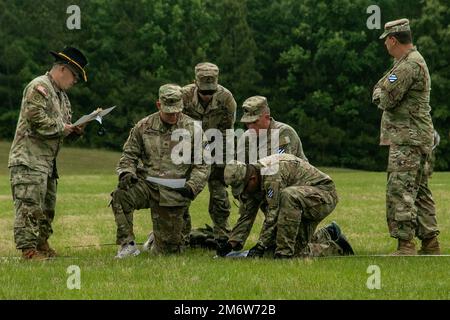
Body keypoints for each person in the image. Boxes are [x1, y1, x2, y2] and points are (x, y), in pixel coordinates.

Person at [8, 46, 88, 260]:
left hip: (46, 163)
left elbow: (61, 127)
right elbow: (37, 121)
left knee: (46, 208)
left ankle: (42, 244)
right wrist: (65, 128)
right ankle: (28, 251)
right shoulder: (39, 87)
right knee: (29, 207)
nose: (75, 82)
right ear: (62, 69)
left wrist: (75, 130)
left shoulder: (61, 96)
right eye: (74, 76)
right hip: (28, 160)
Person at [112, 84, 209, 258]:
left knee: (169, 253)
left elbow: (203, 164)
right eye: (168, 112)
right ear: (158, 105)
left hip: (175, 192)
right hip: (148, 185)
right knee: (121, 195)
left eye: (176, 111)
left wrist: (191, 187)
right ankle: (128, 245)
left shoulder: (193, 129)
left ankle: (156, 239)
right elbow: (129, 155)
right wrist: (126, 172)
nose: (173, 116)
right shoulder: (144, 126)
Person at [372, 19, 440, 255]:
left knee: (400, 190)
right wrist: (381, 89)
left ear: (392, 40)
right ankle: (430, 243)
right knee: (419, 191)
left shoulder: (407, 65)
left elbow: (385, 98)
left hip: (407, 139)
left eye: (386, 40)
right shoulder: (407, 62)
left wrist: (379, 93)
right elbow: (384, 86)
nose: (385, 45)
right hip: (417, 137)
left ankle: (406, 245)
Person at [219, 154, 354, 259]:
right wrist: (232, 242)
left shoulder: (271, 173)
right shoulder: (254, 178)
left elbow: (273, 213)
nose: (245, 192)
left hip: (323, 196)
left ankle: (336, 248)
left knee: (287, 197)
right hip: (302, 203)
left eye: (244, 188)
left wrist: (260, 245)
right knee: (274, 249)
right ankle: (328, 233)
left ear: (252, 179)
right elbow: (247, 213)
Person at [220, 96, 309, 252]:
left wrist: (261, 245)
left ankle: (330, 238)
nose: (250, 127)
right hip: (267, 191)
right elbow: (245, 180)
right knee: (275, 243)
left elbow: (282, 179)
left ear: (267, 117)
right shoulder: (246, 139)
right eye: (248, 123)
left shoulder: (284, 134)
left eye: (255, 122)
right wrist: (234, 241)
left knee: (294, 246)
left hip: (293, 193)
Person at [180, 62, 237, 247]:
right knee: (182, 193)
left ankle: (222, 235)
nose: (207, 96)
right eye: (204, 92)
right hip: (186, 150)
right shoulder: (183, 97)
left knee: (219, 193)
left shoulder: (226, 99)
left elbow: (226, 133)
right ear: (195, 83)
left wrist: (223, 166)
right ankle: (181, 236)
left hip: (216, 149)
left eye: (211, 92)